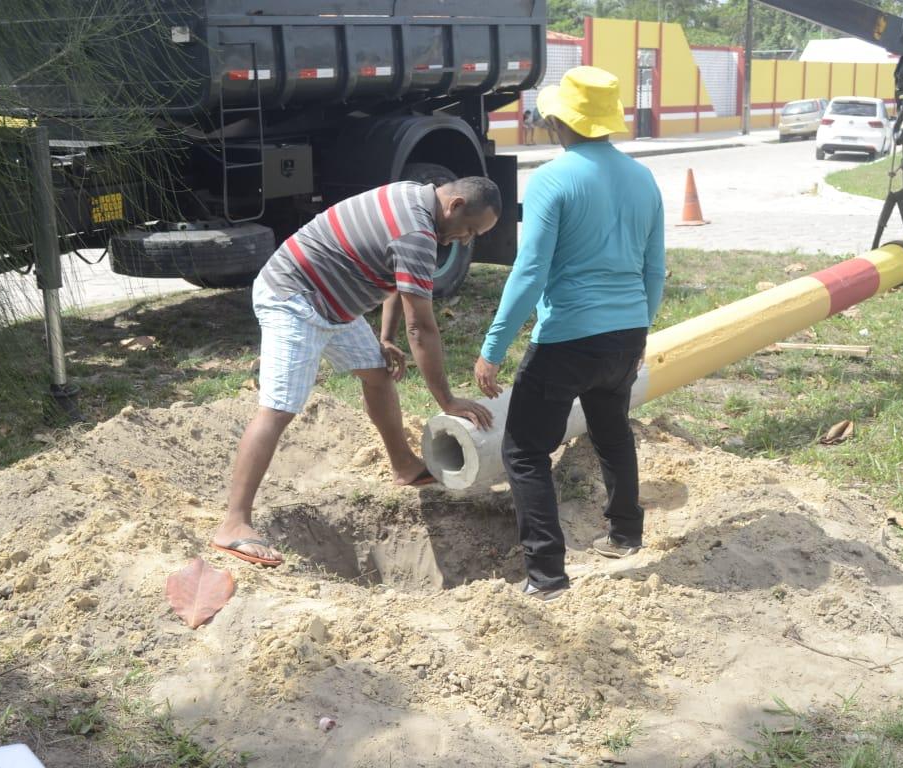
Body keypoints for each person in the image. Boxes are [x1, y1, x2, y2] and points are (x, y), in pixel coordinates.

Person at [214, 178, 500, 566]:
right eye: (469, 229)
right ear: (456, 204)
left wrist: (383, 337)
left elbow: (399, 277)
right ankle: (233, 524)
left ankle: (403, 466)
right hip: (294, 297)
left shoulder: (415, 198)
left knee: (378, 375)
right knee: (279, 407)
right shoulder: (416, 233)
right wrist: (447, 400)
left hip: (335, 305)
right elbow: (422, 328)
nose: (466, 240)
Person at [473, 66, 665, 601]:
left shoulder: (554, 180)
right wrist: (639, 328)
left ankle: (547, 575)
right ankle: (625, 533)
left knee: (525, 451)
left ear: (559, 120)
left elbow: (530, 273)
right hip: (626, 332)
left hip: (568, 339)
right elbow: (654, 270)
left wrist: (493, 348)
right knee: (611, 430)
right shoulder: (643, 178)